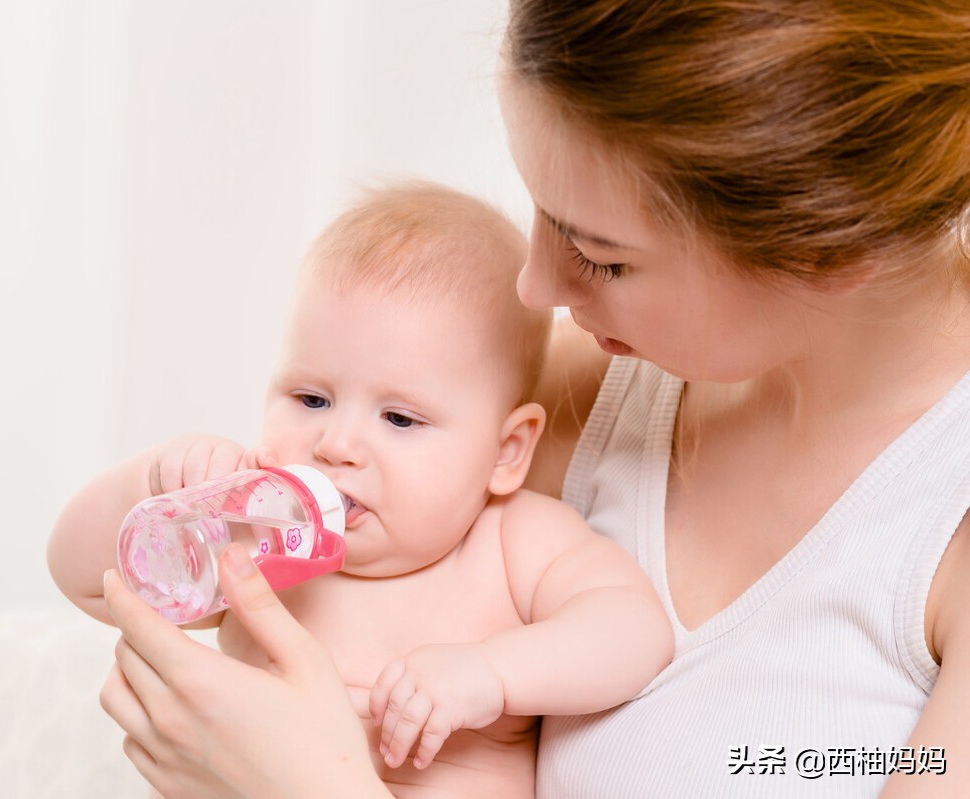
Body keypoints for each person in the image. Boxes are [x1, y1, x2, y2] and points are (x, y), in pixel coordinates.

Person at [92, 1, 970, 796]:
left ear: (827, 251)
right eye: (541, 210)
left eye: (600, 256)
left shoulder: (939, 533)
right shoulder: (561, 394)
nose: (534, 287)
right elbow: (128, 561)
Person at [49, 182, 674, 798]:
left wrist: (493, 672)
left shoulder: (513, 542)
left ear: (506, 452)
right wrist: (157, 485)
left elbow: (635, 632)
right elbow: (84, 576)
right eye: (311, 399)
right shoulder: (261, 536)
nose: (336, 443)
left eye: (399, 418)